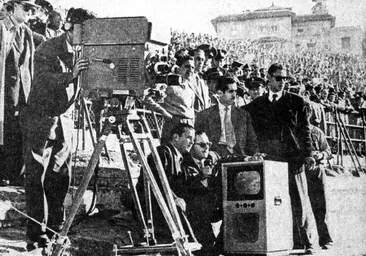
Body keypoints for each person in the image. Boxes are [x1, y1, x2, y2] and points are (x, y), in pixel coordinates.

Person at [21, 7, 95, 251]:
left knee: (60, 178)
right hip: (41, 120)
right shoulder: (48, 48)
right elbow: (41, 79)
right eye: (81, 30)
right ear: (69, 27)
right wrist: (71, 75)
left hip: (64, 123)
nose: (85, 36)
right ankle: (36, 233)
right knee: (37, 177)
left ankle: (56, 229)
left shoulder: (84, 52)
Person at [243, 63, 318, 254]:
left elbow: (305, 131)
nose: (282, 82)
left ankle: (307, 242)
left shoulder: (297, 102)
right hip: (270, 160)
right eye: (278, 78)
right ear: (268, 78)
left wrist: (308, 154)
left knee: (299, 200)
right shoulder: (257, 105)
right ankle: (280, 242)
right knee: (272, 201)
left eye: (285, 79)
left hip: (293, 159)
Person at [0, 0, 38, 186]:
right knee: (5, 132)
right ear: (14, 7)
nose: (30, 12)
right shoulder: (3, 28)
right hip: (5, 92)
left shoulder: (27, 32)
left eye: (32, 9)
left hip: (23, 94)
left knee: (20, 132)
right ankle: (4, 174)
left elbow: (28, 67)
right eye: (26, 8)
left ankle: (16, 173)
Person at [136, 123, 195, 240]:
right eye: (189, 138)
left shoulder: (178, 157)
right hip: (151, 204)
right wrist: (174, 198)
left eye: (193, 140)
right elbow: (156, 180)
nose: (191, 142)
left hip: (164, 202)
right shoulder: (163, 152)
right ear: (176, 138)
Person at [195, 76, 258, 158]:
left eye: (236, 91)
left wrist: (256, 155)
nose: (234, 95)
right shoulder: (204, 115)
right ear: (220, 93)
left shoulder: (243, 115)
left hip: (240, 156)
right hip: (216, 156)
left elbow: (252, 140)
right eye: (231, 91)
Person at [181, 131, 221, 256]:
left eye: (208, 144)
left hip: (215, 210)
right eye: (202, 144)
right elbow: (185, 188)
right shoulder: (184, 163)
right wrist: (201, 176)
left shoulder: (212, 157)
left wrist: (247, 158)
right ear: (192, 145)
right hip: (197, 215)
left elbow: (227, 159)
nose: (207, 147)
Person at [306, 110, 334, 250]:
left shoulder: (317, 131)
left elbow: (328, 150)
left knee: (320, 206)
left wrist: (321, 155)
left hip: (317, 171)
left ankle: (325, 238)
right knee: (303, 208)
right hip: (301, 171)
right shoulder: (293, 131)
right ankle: (306, 242)